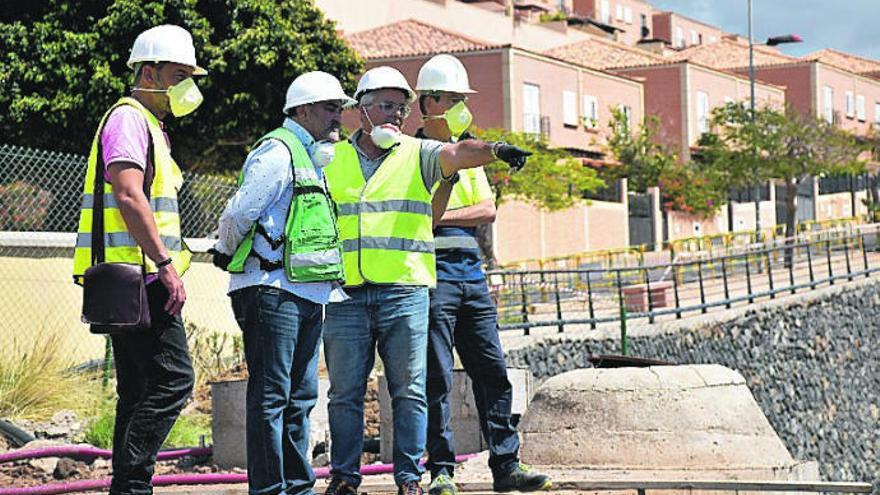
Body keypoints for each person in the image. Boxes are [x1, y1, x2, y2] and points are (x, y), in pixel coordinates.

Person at [321, 66, 532, 495]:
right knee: (344, 394)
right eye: (385, 106)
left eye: (400, 107)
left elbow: (457, 155)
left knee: (410, 390)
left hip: (403, 289)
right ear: (360, 110)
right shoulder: (332, 158)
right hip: (344, 294)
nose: (395, 115)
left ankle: (410, 479)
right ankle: (344, 479)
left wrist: (495, 149)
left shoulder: (417, 151)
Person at [71, 24, 206, 495]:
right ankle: (133, 483)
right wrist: (166, 265)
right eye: (178, 74)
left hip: (136, 278)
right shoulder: (129, 118)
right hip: (142, 278)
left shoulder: (148, 125)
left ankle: (127, 488)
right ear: (149, 72)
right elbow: (129, 195)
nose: (187, 86)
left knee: (139, 389)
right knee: (173, 381)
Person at [209, 71, 355, 495]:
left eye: (339, 109)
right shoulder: (277, 151)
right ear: (303, 110)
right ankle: (271, 489)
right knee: (273, 398)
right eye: (331, 108)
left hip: (307, 291)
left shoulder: (312, 155)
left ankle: (297, 486)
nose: (337, 117)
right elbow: (240, 213)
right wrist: (225, 247)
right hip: (272, 291)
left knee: (300, 399)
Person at [414, 54, 552, 495]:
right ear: (427, 102)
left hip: (470, 275)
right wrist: (442, 215)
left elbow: (486, 210)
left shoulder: (471, 151)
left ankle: (506, 464)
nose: (459, 107)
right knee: (436, 376)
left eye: (461, 99)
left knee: (492, 371)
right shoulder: (410, 153)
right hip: (430, 276)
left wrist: (441, 214)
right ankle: (442, 469)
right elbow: (418, 219)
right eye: (451, 99)